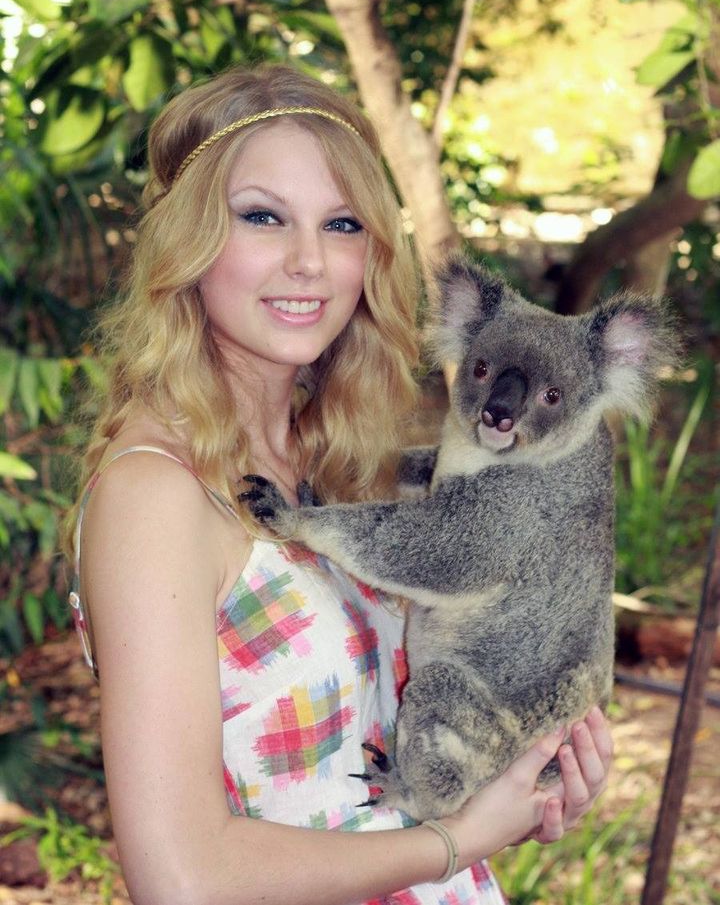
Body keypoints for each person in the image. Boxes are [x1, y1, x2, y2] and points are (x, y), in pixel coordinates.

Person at [66, 63, 613, 905]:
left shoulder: (326, 460)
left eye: (343, 223)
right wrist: (453, 839)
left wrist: (527, 770)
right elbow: (182, 880)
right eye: (262, 217)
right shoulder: (155, 496)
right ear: (189, 240)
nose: (309, 262)